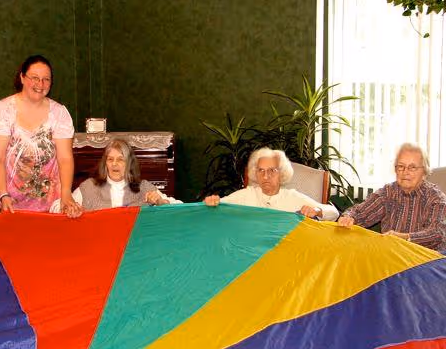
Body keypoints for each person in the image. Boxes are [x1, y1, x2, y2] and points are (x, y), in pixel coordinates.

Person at [0, 55, 80, 217]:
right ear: (22, 77)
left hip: (46, 203)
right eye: (34, 78)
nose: (40, 84)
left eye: (46, 79)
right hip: (4, 199)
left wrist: (66, 192)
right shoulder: (4, 110)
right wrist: (3, 195)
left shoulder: (59, 113)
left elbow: (65, 158)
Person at [337, 143, 446, 251]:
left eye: (412, 167)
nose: (405, 172)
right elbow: (360, 212)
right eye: (401, 167)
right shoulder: (388, 192)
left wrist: (404, 238)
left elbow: (437, 233)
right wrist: (349, 218)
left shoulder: (436, 198)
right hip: (391, 257)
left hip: (424, 262)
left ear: (424, 171)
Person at [50, 138, 181, 216]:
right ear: (105, 162)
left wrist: (160, 202)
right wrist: (69, 208)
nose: (114, 164)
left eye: (120, 160)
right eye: (110, 159)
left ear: (129, 163)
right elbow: (55, 207)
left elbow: (179, 208)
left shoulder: (144, 187)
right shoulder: (89, 187)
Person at [204, 147, 339, 221]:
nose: (265, 176)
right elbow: (218, 206)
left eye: (272, 171)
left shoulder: (292, 197)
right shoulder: (247, 195)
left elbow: (334, 213)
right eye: (260, 170)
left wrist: (317, 211)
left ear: (281, 174)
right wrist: (213, 202)